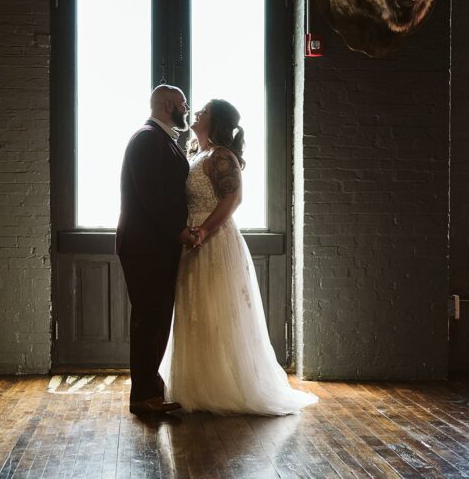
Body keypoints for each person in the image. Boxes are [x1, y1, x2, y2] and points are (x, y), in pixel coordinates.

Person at [161, 99, 318, 415]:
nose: (197, 113)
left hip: (214, 239)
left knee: (217, 310)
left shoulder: (221, 156)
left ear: (215, 121)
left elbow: (233, 197)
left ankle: (223, 388)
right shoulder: (196, 153)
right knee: (195, 310)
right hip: (192, 240)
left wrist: (204, 231)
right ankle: (195, 386)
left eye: (204, 111)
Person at [116, 85, 199, 415]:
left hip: (153, 245)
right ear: (169, 104)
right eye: (183, 104)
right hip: (145, 246)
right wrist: (179, 231)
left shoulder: (160, 138)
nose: (187, 109)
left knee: (155, 318)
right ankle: (143, 397)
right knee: (149, 320)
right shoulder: (148, 139)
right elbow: (152, 197)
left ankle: (150, 389)